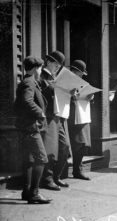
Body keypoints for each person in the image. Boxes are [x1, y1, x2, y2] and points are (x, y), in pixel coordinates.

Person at [14, 56, 51, 204]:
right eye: (41, 68)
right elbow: (27, 100)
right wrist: (39, 113)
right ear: (36, 69)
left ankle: (26, 191)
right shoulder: (29, 82)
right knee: (41, 158)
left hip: (27, 126)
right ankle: (34, 193)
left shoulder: (28, 81)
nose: (41, 71)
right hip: (31, 127)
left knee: (29, 159)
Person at [40, 51, 71, 190]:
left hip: (58, 116)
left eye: (59, 66)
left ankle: (56, 177)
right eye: (56, 65)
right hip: (48, 116)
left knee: (64, 147)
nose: (57, 68)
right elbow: (45, 89)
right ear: (49, 62)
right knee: (51, 150)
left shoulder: (54, 77)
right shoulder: (41, 75)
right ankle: (47, 179)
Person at [68, 60, 93, 180]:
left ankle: (78, 169)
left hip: (83, 116)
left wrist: (90, 96)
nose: (82, 75)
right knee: (77, 144)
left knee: (84, 145)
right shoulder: (66, 82)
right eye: (80, 72)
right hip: (73, 118)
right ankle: (75, 170)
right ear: (74, 71)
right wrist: (72, 96)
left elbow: (86, 96)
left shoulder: (83, 82)